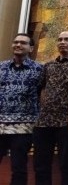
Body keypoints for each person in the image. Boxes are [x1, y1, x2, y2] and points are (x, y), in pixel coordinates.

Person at [33, 31, 68, 185]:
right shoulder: (48, 66)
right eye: (60, 39)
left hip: (67, 121)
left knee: (66, 164)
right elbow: (42, 88)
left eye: (67, 39)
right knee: (41, 165)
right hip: (44, 122)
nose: (62, 42)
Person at [0, 33, 43, 185]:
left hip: (24, 126)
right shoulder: (1, 67)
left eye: (23, 43)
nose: (18, 45)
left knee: (18, 166)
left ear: (31, 48)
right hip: (0, 124)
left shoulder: (39, 70)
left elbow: (43, 94)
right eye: (16, 42)